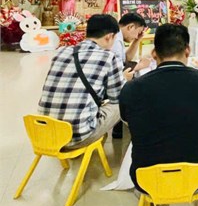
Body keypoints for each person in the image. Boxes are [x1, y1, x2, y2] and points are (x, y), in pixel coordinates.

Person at [119, 24, 198, 192]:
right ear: (187, 51)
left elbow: (129, 123)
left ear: (154, 53)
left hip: (146, 180)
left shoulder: (130, 88)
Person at [38, 14, 131, 149]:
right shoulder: (108, 57)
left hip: (45, 133)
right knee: (120, 105)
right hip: (77, 137)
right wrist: (123, 79)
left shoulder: (61, 51)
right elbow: (117, 97)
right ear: (109, 37)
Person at [111, 12, 151, 139]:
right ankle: (123, 124)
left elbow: (126, 58)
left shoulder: (118, 37)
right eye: (137, 32)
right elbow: (118, 71)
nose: (136, 35)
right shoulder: (115, 40)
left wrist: (137, 40)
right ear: (130, 27)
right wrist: (140, 66)